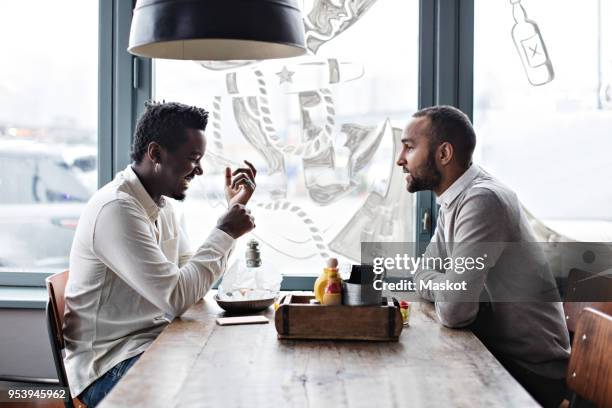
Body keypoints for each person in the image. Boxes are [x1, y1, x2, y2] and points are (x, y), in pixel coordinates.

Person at [63, 101, 257, 406]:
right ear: (155, 153)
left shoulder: (162, 206)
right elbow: (176, 297)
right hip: (109, 365)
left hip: (152, 343)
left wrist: (230, 218)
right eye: (193, 159)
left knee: (239, 374)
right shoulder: (117, 209)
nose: (200, 170)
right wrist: (225, 231)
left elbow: (189, 286)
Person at [396, 105, 570, 407]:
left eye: (409, 147)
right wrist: (450, 285)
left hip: (529, 375)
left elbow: (454, 311)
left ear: (444, 154)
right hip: (496, 357)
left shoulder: (481, 201)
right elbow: (421, 273)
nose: (400, 159)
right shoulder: (454, 200)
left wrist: (451, 290)